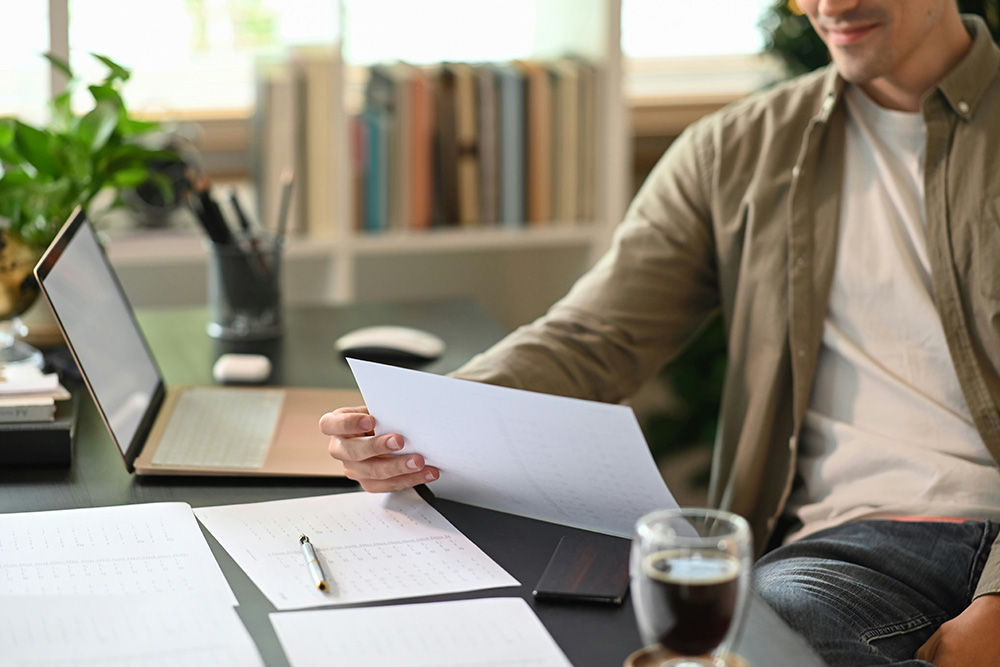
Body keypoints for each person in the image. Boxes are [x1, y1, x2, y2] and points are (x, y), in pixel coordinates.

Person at [320, 1, 1000, 664]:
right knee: (767, 627)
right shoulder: (741, 149)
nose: (833, 5)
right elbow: (595, 334)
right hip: (849, 549)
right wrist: (418, 425)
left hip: (982, 528)